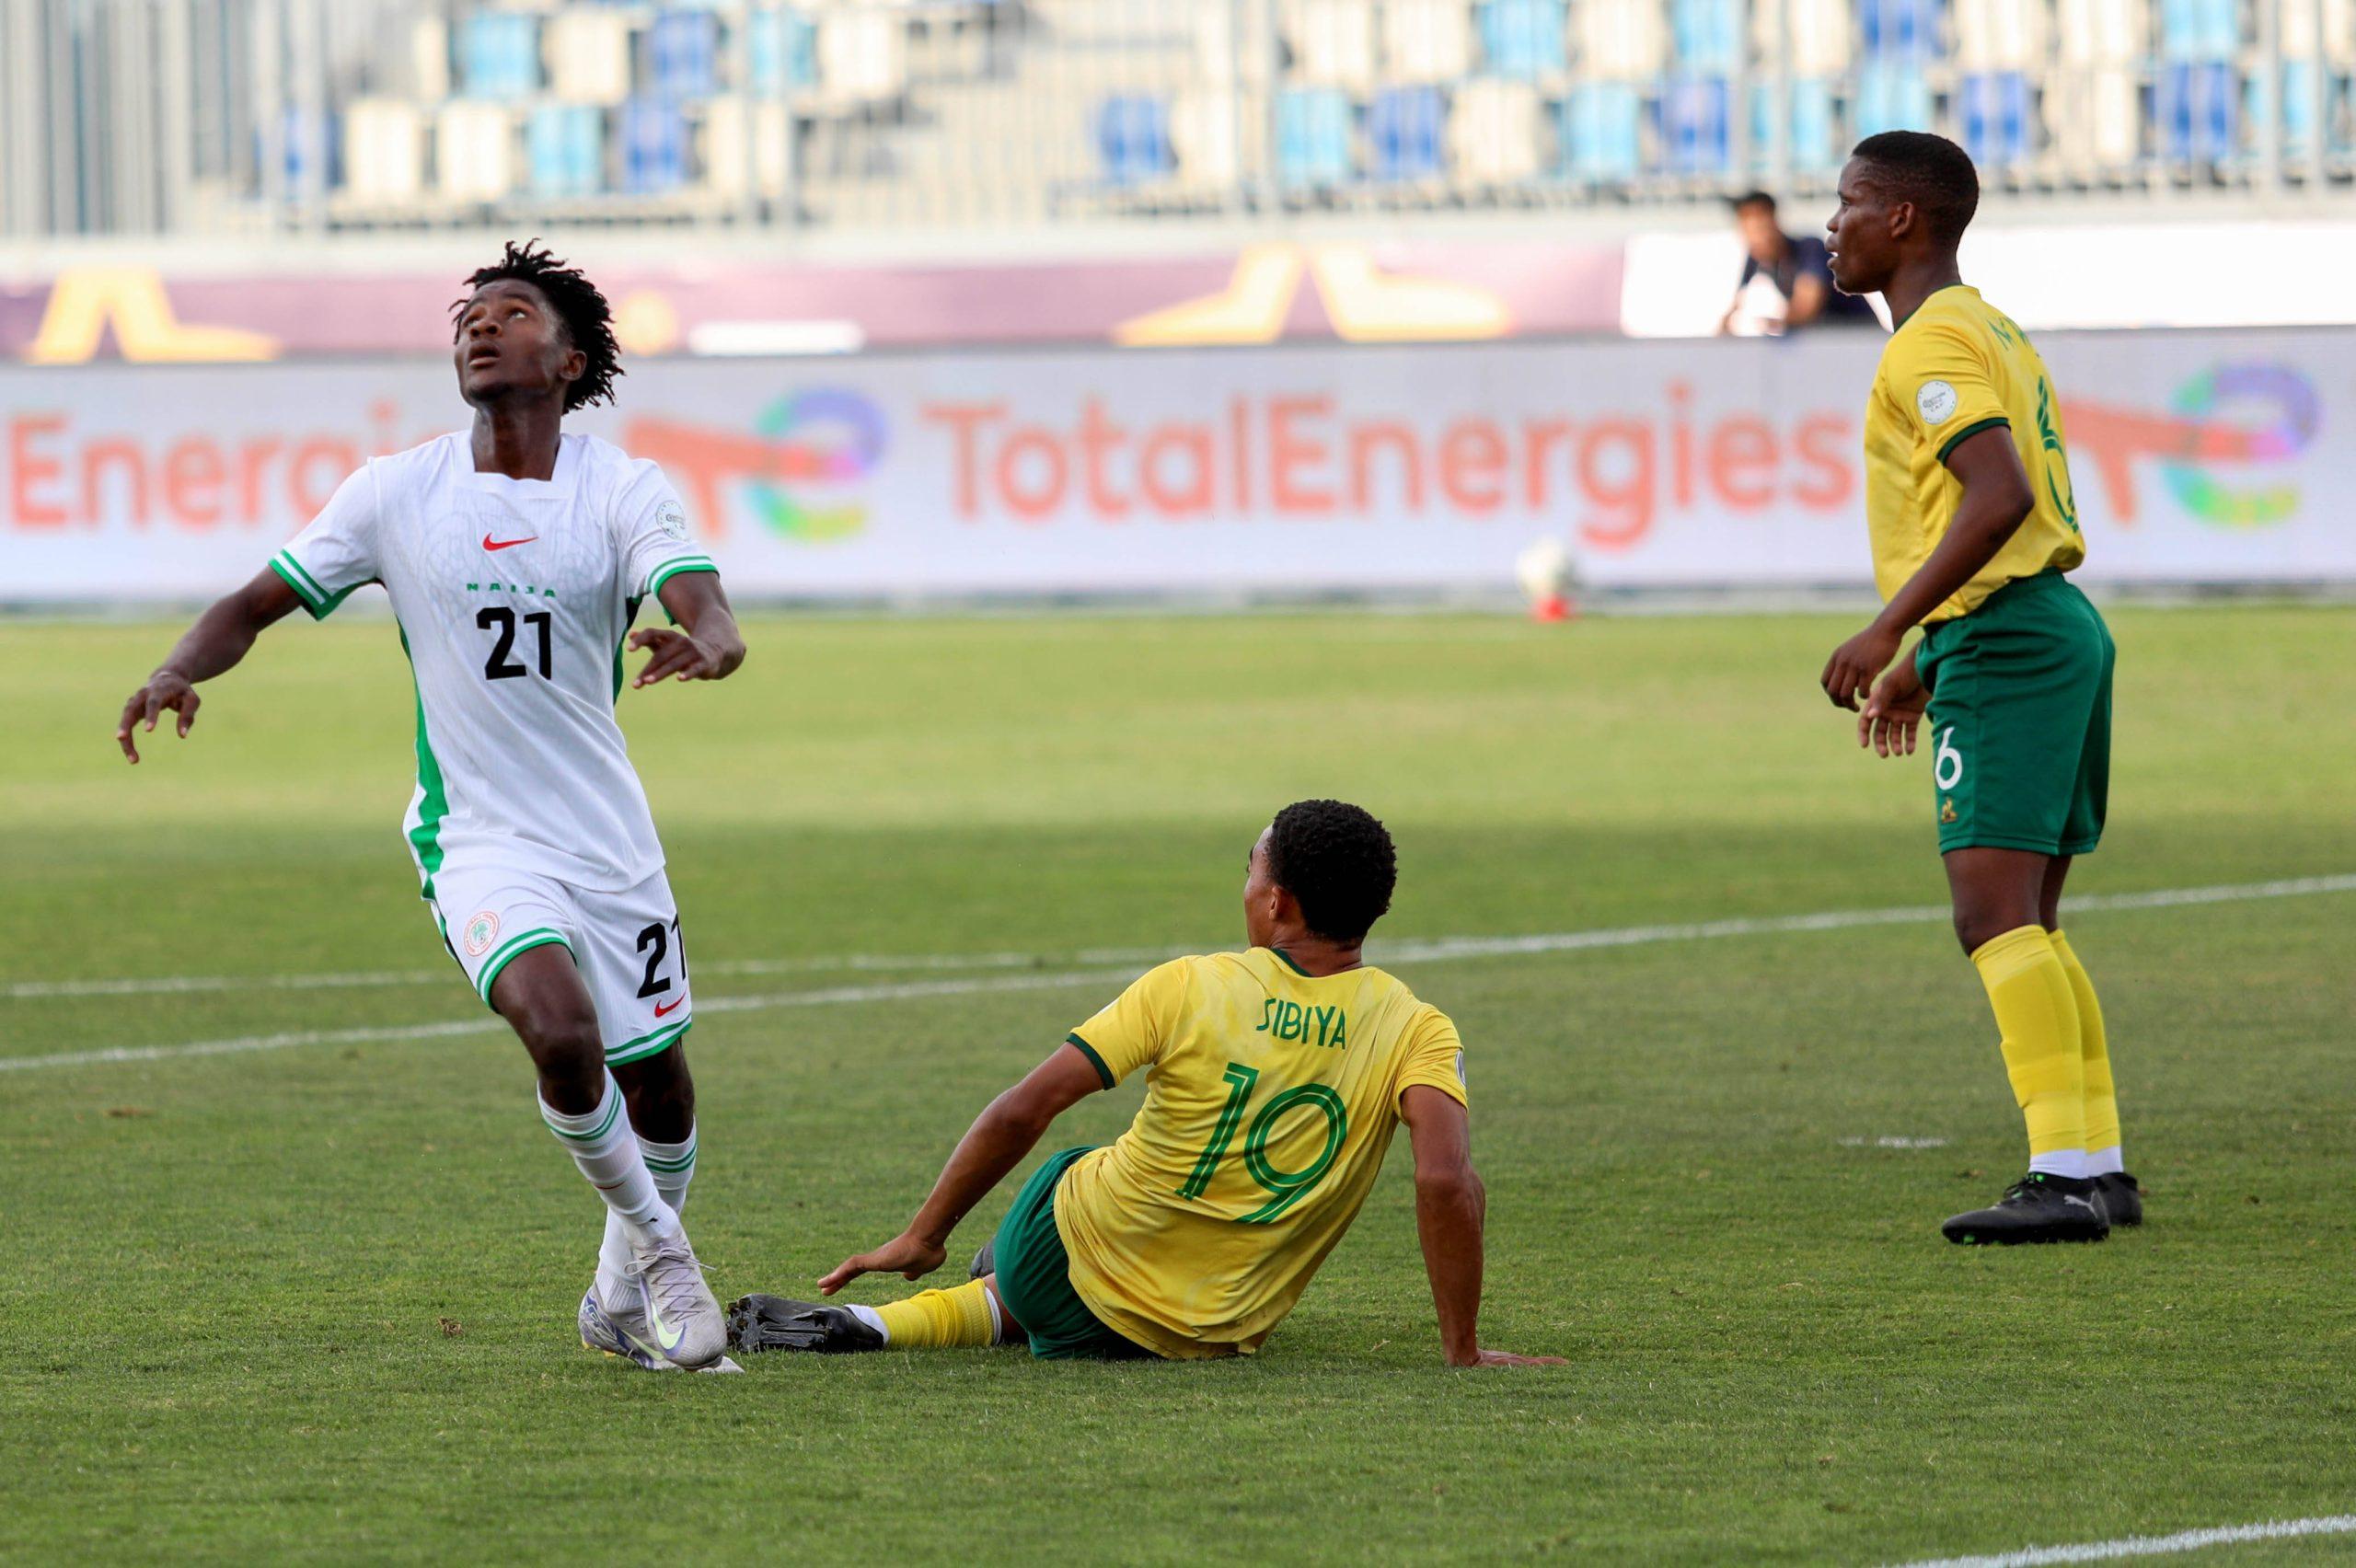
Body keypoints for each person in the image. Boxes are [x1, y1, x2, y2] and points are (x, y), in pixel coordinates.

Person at [114, 241, 749, 1368]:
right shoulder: (396, 491)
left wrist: (713, 637)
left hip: (607, 839)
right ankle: (663, 1249)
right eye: (470, 314)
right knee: (561, 1034)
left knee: (658, 1073)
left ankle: (615, 1293)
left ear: (570, 359)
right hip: (477, 837)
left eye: (512, 312)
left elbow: (693, 589)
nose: (481, 326)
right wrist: (177, 667)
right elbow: (252, 603)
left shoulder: (622, 486)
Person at [728, 801, 1562, 1369]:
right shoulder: (1418, 1026)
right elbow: (1446, 1179)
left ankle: (889, 1316)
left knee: (1073, 1180)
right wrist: (1462, 1348)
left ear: (1276, 902)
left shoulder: (1189, 984)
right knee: (1071, 1278)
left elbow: (1026, 1107)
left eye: (1248, 875)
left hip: (1061, 1247)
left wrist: (922, 1234)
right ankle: (905, 1318)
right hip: (1213, 1329)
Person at [1818, 133, 2138, 1245]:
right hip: (2036, 629)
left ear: (1903, 219)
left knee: (1990, 915)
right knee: (2030, 916)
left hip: (2010, 637)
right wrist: (1923, 658)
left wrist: (1888, 626)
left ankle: (2062, 1175)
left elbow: (1994, 495)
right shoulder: (1986, 323)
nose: (1833, 222)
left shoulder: (1929, 343)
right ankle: (2095, 1166)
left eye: (1851, 200)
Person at [1719, 190, 1881, 335]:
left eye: (1757, 228)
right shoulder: (1756, 257)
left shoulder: (1809, 249)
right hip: (1828, 342)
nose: (1753, 239)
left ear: (1772, 222)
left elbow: (1805, 308)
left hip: (1861, 337)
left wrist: (1766, 325)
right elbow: (1733, 311)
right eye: (1746, 231)